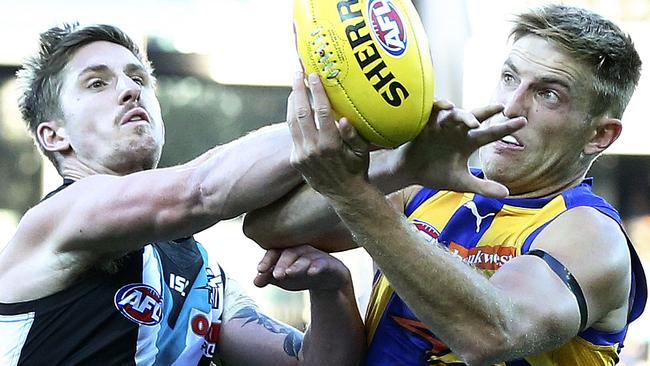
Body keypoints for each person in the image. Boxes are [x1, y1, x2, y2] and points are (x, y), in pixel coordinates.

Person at [244, 4, 648, 365]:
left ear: (601, 136)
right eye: (510, 78)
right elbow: (269, 228)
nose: (512, 105)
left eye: (548, 94)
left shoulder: (591, 234)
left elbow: (490, 334)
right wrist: (400, 168)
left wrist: (352, 193)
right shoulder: (428, 188)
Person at [0, 23, 365, 366]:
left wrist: (331, 289)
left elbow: (308, 361)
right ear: (54, 136)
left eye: (138, 78)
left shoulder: (200, 269)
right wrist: (357, 118)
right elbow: (202, 189)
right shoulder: (56, 219)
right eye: (97, 83)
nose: (130, 89)